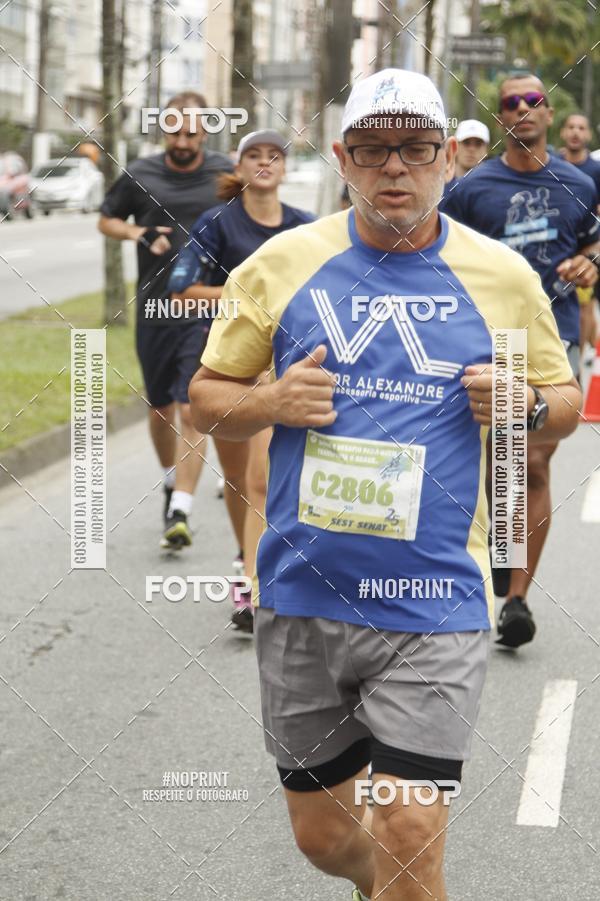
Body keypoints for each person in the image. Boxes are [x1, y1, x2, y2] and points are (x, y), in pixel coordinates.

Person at [190, 68, 580, 900]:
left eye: (415, 148)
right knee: (328, 837)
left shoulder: (504, 277)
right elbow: (207, 400)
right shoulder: (281, 263)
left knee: (408, 831)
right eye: (373, 149)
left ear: (446, 160)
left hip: (435, 599)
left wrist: (524, 403)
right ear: (342, 158)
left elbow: (566, 405)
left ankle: (407, 878)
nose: (394, 167)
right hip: (302, 593)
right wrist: (270, 400)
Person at [441, 73, 599, 648]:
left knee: (529, 461)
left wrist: (591, 265)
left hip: (552, 340)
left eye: (534, 102)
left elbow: (592, 241)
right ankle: (494, 557)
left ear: (549, 114)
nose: (524, 110)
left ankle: (516, 602)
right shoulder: (471, 188)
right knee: (487, 464)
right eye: (512, 103)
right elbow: (437, 253)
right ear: (501, 115)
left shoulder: (578, 181)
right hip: (483, 342)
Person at [167, 130, 315, 631]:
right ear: (240, 163)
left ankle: (252, 587)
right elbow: (181, 290)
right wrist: (248, 305)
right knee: (236, 480)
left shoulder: (305, 229)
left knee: (261, 478)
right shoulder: (217, 223)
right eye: (254, 154)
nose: (264, 162)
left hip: (281, 367)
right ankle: (242, 558)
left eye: (274, 155)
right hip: (229, 367)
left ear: (285, 168)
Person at [98, 91, 233, 550]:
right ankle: (170, 481)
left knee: (192, 405)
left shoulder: (224, 173)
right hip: (155, 308)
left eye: (192, 131)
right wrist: (136, 231)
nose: (183, 138)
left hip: (205, 311)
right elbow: (106, 219)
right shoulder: (142, 174)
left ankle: (181, 510)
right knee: (159, 408)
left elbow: (250, 222)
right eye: (175, 129)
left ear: (205, 132)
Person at [558, 113, 600, 360]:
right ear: (563, 132)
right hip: (555, 246)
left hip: (585, 246)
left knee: (584, 302)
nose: (575, 132)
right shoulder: (550, 163)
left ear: (588, 135)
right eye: (571, 126)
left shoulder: (595, 170)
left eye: (581, 128)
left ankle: (578, 356)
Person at [442, 119, 490, 199]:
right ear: (454, 147)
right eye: (466, 143)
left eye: (478, 144)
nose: (471, 149)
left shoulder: (493, 186)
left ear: (486, 150)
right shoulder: (439, 184)